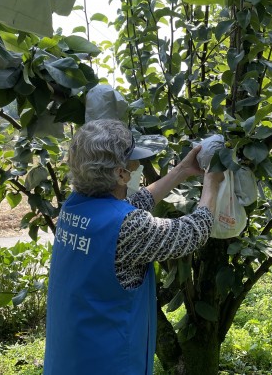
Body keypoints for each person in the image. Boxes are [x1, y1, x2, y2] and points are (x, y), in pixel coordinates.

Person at [42, 119, 224, 375]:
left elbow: (131, 205)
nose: (137, 165)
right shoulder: (128, 228)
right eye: (133, 160)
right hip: (108, 363)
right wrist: (212, 181)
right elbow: (193, 232)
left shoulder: (74, 207)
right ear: (120, 173)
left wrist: (182, 170)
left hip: (71, 357)